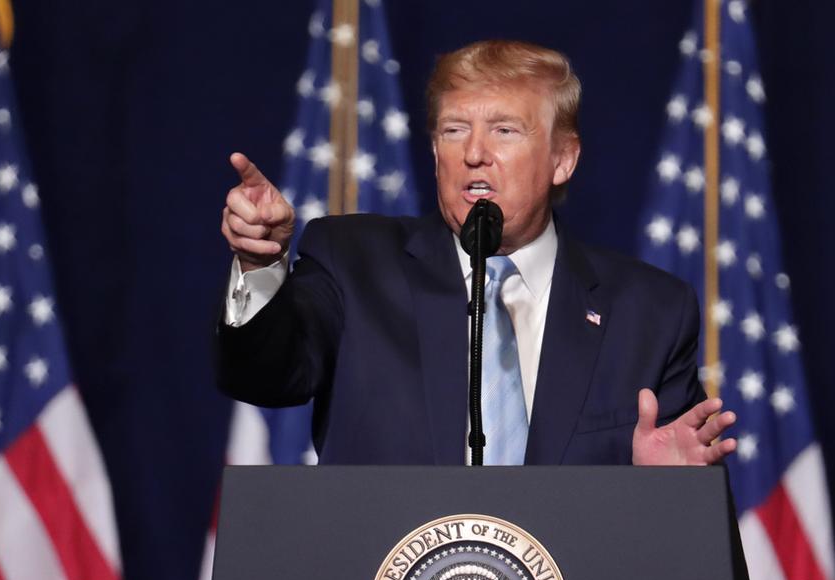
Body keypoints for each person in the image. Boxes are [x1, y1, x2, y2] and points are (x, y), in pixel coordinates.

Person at [216, 39, 736, 466]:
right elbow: (264, 378)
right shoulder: (354, 263)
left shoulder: (650, 312)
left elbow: (676, 531)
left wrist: (664, 492)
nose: (473, 153)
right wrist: (261, 264)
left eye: (505, 130)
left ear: (563, 159)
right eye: (454, 130)